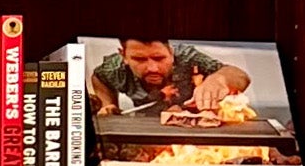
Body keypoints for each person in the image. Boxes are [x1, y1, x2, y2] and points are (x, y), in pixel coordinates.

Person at [90, 37, 253, 121]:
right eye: (140, 60)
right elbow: (99, 77)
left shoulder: (188, 57)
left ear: (171, 51)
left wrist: (219, 79)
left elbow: (240, 76)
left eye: (159, 58)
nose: (152, 68)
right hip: (146, 127)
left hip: (194, 126)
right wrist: (108, 104)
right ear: (123, 55)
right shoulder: (114, 68)